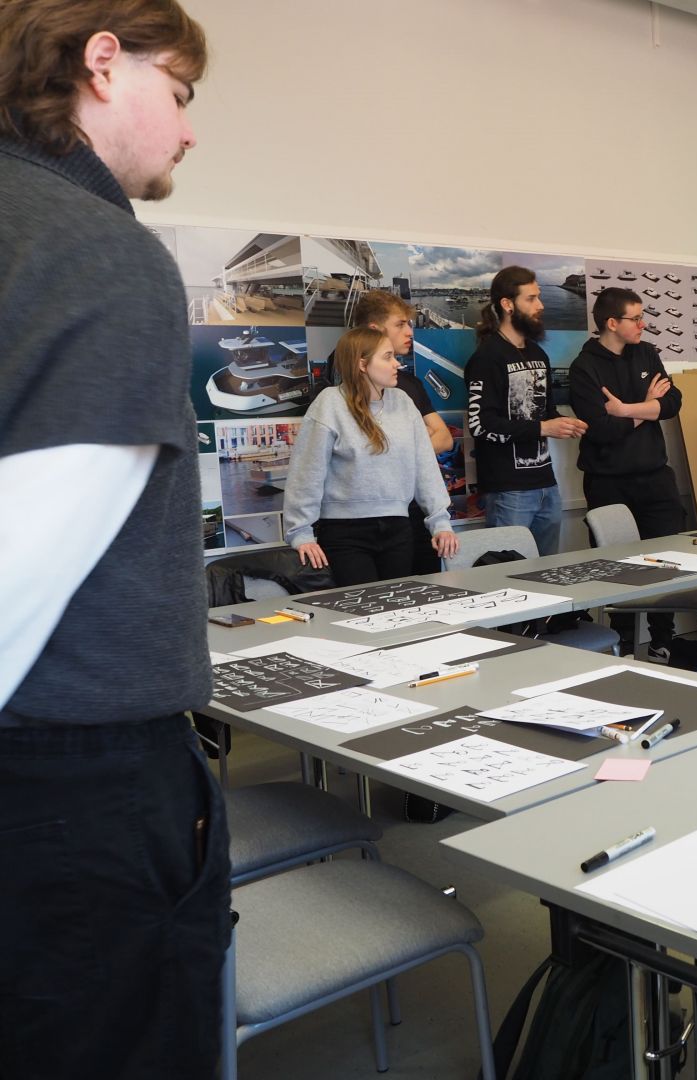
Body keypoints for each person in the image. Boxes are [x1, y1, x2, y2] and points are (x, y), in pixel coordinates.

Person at [0, 3, 231, 1077]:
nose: (187, 129)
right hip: (73, 791)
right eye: (178, 93)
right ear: (102, 64)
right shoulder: (100, 252)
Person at [285, 327, 458, 584]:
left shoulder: (403, 402)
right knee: (362, 606)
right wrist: (300, 533)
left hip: (398, 528)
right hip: (345, 534)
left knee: (398, 604)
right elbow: (306, 473)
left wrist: (440, 523)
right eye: (387, 357)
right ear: (362, 364)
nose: (397, 364)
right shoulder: (330, 403)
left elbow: (425, 467)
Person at [569, 287, 685, 658]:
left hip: (655, 478)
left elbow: (672, 403)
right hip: (609, 483)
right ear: (611, 323)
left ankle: (663, 641)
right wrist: (646, 407)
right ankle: (624, 644)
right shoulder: (584, 367)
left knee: (665, 564)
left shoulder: (646, 352)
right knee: (618, 569)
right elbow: (601, 429)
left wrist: (624, 410)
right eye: (635, 318)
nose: (642, 324)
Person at [465, 265, 586, 555]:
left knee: (547, 569)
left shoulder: (538, 353)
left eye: (539, 296)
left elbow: (546, 412)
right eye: (531, 298)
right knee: (509, 571)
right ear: (508, 305)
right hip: (508, 490)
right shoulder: (487, 358)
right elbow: (480, 425)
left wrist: (564, 424)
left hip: (546, 484)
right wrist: (543, 428)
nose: (540, 305)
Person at [347, 290, 455, 573]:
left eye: (409, 323)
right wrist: (408, 449)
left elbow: (444, 438)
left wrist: (401, 453)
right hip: (367, 523)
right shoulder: (341, 389)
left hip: (418, 513)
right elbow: (359, 454)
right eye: (400, 324)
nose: (410, 331)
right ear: (375, 330)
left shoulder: (409, 386)